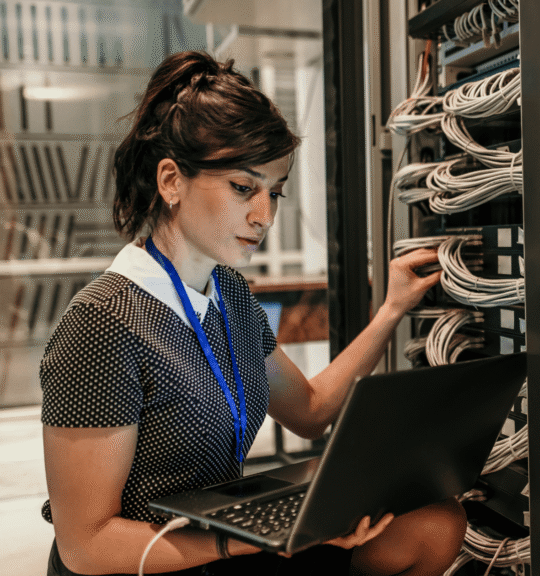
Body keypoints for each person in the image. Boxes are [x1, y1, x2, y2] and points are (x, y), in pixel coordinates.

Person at [40, 51, 467, 576]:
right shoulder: (104, 323)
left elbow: (309, 413)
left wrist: (391, 310)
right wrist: (251, 542)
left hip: (222, 540)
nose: (263, 216)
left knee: (434, 522)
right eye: (243, 188)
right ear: (170, 181)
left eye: (275, 192)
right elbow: (85, 545)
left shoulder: (230, 296)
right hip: (148, 561)